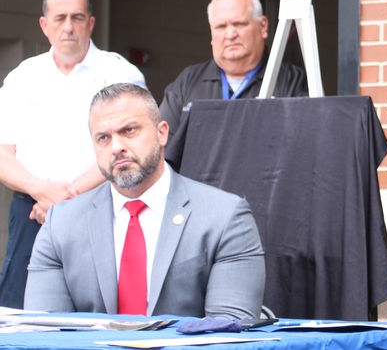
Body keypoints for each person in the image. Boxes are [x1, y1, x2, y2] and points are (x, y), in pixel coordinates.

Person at [25, 83, 265, 319]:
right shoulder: (61, 224)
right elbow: (46, 332)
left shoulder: (224, 217)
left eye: (129, 130)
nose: (117, 147)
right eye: (103, 138)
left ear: (162, 133)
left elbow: (228, 333)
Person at [0, 0, 145, 308]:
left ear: (90, 23)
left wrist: (66, 198)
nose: (68, 26)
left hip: (99, 205)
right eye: (60, 17)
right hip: (32, 210)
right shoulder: (24, 77)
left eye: (77, 17)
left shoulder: (119, 73)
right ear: (44, 25)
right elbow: (2, 152)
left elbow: (129, 148)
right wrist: (42, 191)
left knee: (100, 305)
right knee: (20, 308)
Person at [159, 0, 308, 134]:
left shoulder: (291, 80)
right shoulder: (188, 81)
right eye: (221, 27)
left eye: (239, 24)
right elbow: (161, 145)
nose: (230, 34)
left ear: (263, 26)